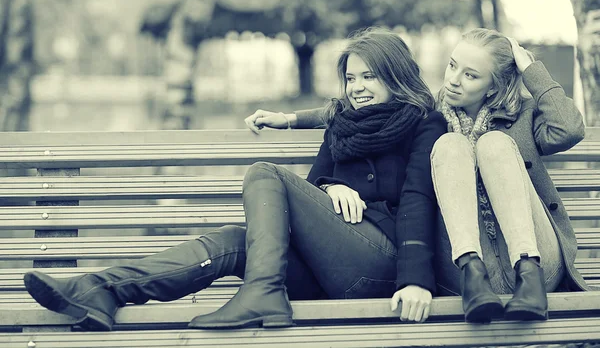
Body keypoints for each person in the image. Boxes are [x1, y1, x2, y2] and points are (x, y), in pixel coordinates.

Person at [23, 27, 446, 330]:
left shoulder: (424, 124)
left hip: (380, 268)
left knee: (266, 173)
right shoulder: (342, 126)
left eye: (369, 76)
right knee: (230, 242)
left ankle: (262, 293)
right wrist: (332, 187)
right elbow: (315, 184)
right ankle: (102, 290)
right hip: (323, 273)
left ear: (395, 76)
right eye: (351, 78)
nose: (357, 87)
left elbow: (417, 203)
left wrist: (414, 281)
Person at [246, 28, 589, 324]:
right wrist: (291, 118)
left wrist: (530, 69)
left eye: (471, 75)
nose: (454, 79)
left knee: (494, 144)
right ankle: (473, 270)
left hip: (540, 265)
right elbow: (366, 104)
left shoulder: (523, 117)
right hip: (463, 277)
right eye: (452, 66)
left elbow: (568, 129)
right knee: (451, 144)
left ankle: (527, 273)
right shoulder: (431, 112)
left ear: (494, 88)